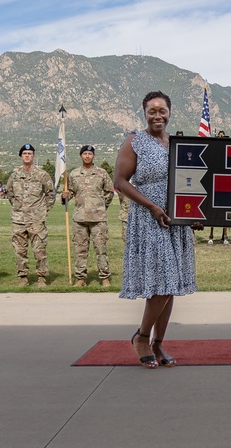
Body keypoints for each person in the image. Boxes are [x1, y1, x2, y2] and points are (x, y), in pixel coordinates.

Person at [115, 91, 199, 368]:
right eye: (152, 110)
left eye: (162, 110)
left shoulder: (177, 143)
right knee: (162, 281)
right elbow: (121, 181)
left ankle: (159, 344)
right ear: (144, 113)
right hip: (151, 218)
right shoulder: (134, 141)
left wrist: (196, 211)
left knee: (171, 284)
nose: (157, 115)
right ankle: (141, 337)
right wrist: (152, 206)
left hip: (176, 218)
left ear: (170, 112)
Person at [62, 145, 115, 287]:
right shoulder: (73, 174)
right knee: (80, 250)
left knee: (101, 249)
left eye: (90, 154)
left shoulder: (102, 173)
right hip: (79, 219)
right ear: (81, 156)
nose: (87, 156)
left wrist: (102, 206)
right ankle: (80, 278)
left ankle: (104, 278)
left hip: (98, 219)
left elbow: (109, 192)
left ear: (93, 156)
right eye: (84, 154)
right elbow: (69, 193)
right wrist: (65, 196)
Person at [6, 144, 56, 287]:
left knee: (39, 250)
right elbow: (10, 194)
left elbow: (50, 194)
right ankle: (23, 277)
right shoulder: (14, 175)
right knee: (19, 250)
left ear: (34, 156)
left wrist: (43, 211)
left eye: (30, 153)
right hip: (19, 219)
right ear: (21, 156)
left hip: (36, 220)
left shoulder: (42, 175)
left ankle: (41, 277)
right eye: (25, 153)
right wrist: (18, 208)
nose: (27, 155)